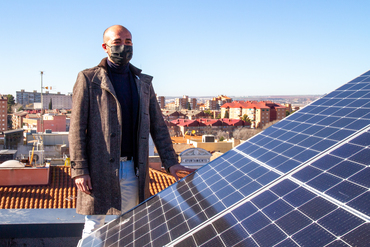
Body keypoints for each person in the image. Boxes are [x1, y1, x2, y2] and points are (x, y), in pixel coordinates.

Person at [69, 25, 194, 239]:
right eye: (117, 42)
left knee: (131, 227)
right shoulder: (89, 79)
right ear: (105, 47)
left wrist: (171, 162)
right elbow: (77, 128)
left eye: (128, 41)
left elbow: (158, 126)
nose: (124, 46)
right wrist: (80, 169)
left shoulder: (142, 82)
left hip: (132, 169)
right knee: (93, 227)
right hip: (99, 169)